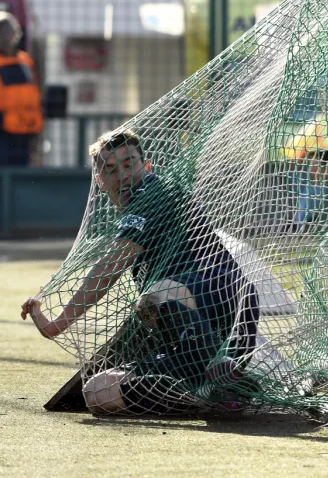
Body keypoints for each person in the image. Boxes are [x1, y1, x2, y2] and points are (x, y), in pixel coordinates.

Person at [20, 130, 260, 415]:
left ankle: (222, 375)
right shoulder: (132, 210)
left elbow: (112, 265)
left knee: (155, 296)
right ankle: (205, 395)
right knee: (97, 393)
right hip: (183, 337)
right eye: (109, 169)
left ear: (146, 167)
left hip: (223, 303)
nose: (121, 176)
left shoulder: (152, 194)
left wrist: (59, 323)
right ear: (99, 181)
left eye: (128, 163)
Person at [0, 12, 43, 166]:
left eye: (8, 32)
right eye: (1, 32)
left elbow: (34, 94)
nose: (5, 37)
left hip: (26, 132)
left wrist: (36, 134)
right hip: (3, 134)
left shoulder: (25, 61)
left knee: (22, 174)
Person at [294, 147, 328, 233]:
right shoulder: (315, 158)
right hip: (313, 187)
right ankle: (300, 228)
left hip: (317, 188)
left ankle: (300, 228)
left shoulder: (323, 164)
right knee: (303, 209)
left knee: (306, 209)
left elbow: (318, 174)